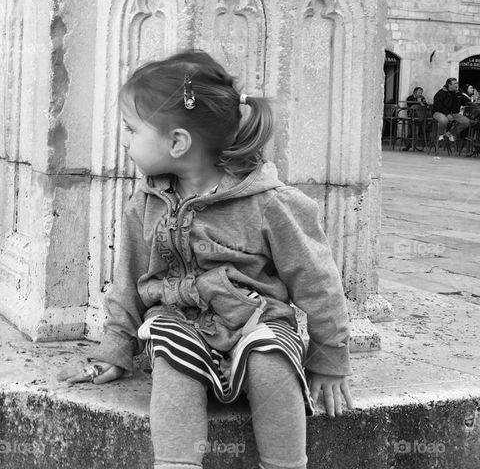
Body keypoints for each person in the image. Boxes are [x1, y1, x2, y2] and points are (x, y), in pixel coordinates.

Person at [59, 52, 352, 469]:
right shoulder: (146, 203)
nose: (124, 139)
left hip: (256, 318)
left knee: (272, 363)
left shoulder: (268, 203)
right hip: (180, 320)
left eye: (131, 129)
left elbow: (317, 280)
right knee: (170, 360)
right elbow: (128, 280)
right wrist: (116, 349)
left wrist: (329, 355)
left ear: (177, 142)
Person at [432, 78, 470, 145]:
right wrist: (447, 114)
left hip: (452, 113)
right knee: (444, 120)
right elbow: (438, 105)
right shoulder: (441, 93)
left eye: (457, 83)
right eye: (455, 83)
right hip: (439, 112)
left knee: (466, 122)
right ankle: (440, 135)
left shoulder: (458, 92)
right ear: (449, 85)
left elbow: (466, 101)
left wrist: (460, 94)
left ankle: (450, 133)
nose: (457, 85)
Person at [400, 86, 429, 151]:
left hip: (421, 117)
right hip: (412, 116)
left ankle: (419, 145)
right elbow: (410, 107)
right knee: (412, 130)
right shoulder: (410, 98)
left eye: (421, 93)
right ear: (414, 92)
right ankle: (409, 145)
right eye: (419, 93)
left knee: (422, 128)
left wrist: (420, 103)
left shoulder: (422, 98)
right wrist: (418, 104)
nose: (420, 94)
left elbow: (426, 107)